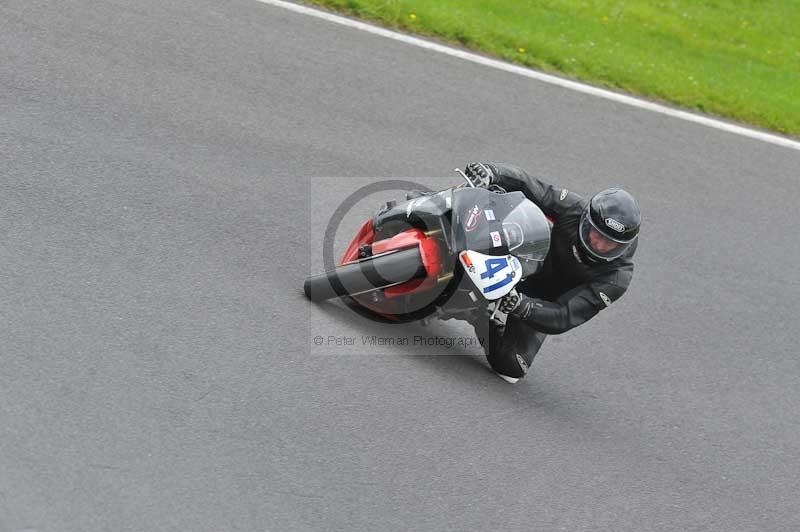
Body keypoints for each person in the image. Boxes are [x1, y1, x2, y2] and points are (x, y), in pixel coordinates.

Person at [462, 162, 641, 383]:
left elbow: (565, 315)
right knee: (492, 200)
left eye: (609, 243)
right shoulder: (575, 209)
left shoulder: (616, 278)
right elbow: (533, 187)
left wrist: (522, 306)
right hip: (523, 255)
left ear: (622, 246)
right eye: (597, 233)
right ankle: (438, 214)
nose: (599, 244)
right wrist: (492, 173)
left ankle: (480, 316)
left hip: (539, 299)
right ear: (588, 220)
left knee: (512, 365)